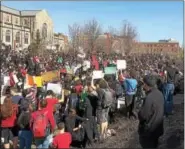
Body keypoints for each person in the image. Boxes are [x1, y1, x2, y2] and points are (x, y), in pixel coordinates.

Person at [138, 75, 164, 149]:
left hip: (149, 131)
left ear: (146, 84)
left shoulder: (149, 97)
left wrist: (139, 112)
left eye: (143, 84)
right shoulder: (159, 93)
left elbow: (143, 116)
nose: (143, 85)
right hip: (157, 128)